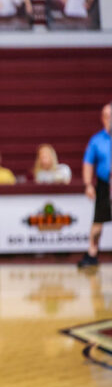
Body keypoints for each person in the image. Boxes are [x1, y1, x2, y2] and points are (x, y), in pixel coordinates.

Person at [78, 103, 112, 268]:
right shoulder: (97, 140)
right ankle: (92, 253)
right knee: (98, 221)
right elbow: (88, 163)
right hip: (105, 184)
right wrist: (88, 184)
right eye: (106, 116)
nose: (109, 119)